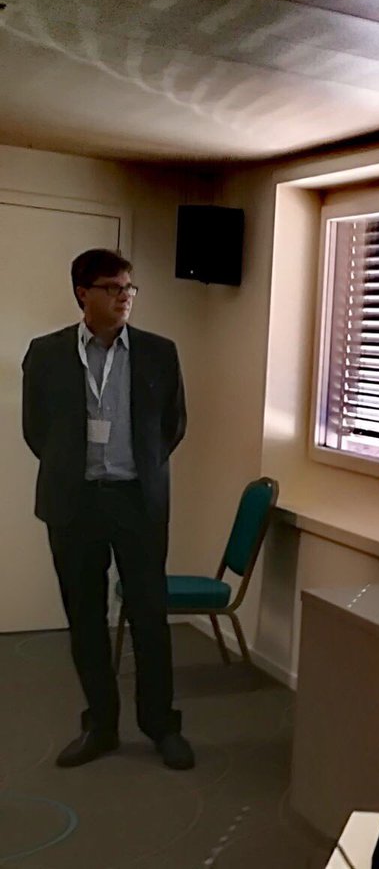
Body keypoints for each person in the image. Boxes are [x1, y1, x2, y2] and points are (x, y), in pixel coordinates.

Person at [21, 248, 194, 770]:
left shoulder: (159, 352)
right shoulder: (46, 353)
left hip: (137, 501)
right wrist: (73, 467)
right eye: (113, 288)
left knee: (149, 616)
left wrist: (137, 467)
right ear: (83, 293)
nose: (125, 297)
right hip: (74, 503)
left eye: (129, 288)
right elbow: (37, 430)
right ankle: (100, 725)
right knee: (86, 619)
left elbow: (172, 426)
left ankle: (161, 725)